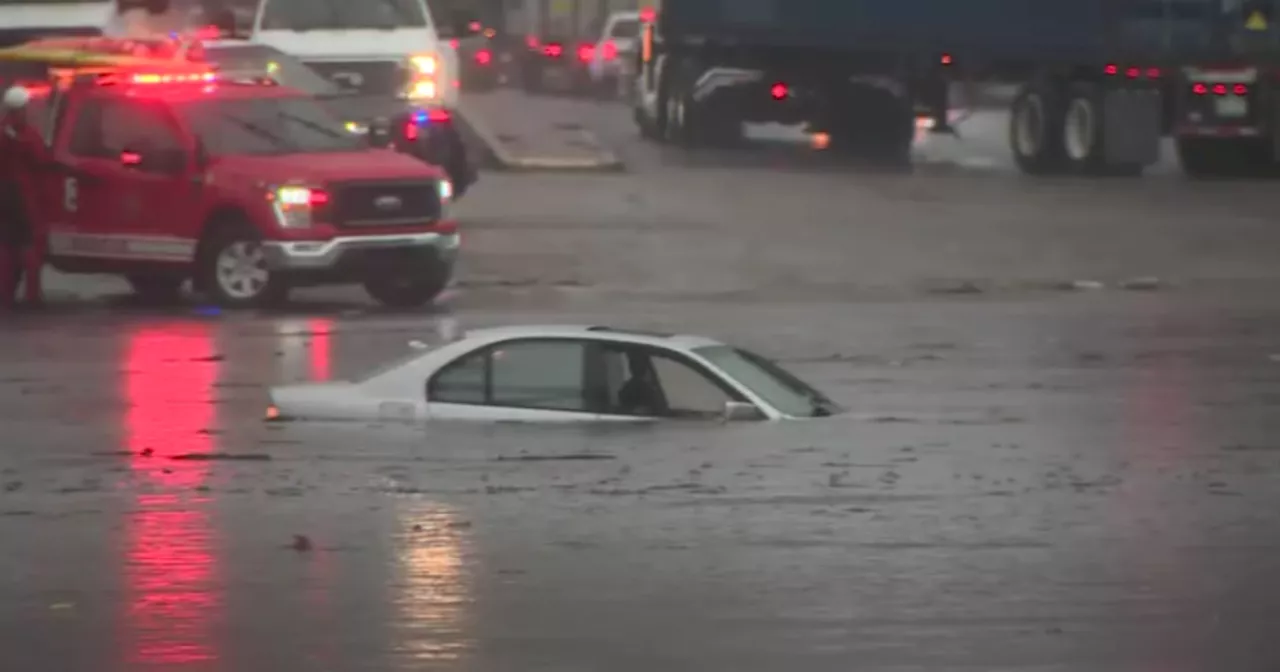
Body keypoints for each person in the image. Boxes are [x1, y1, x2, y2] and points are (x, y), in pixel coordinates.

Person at [0, 85, 48, 308]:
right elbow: (40, 159)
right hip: (20, 196)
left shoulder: (3, 131)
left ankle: (6, 296)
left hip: (4, 195)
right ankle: (32, 296)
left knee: (6, 248)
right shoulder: (26, 135)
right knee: (28, 246)